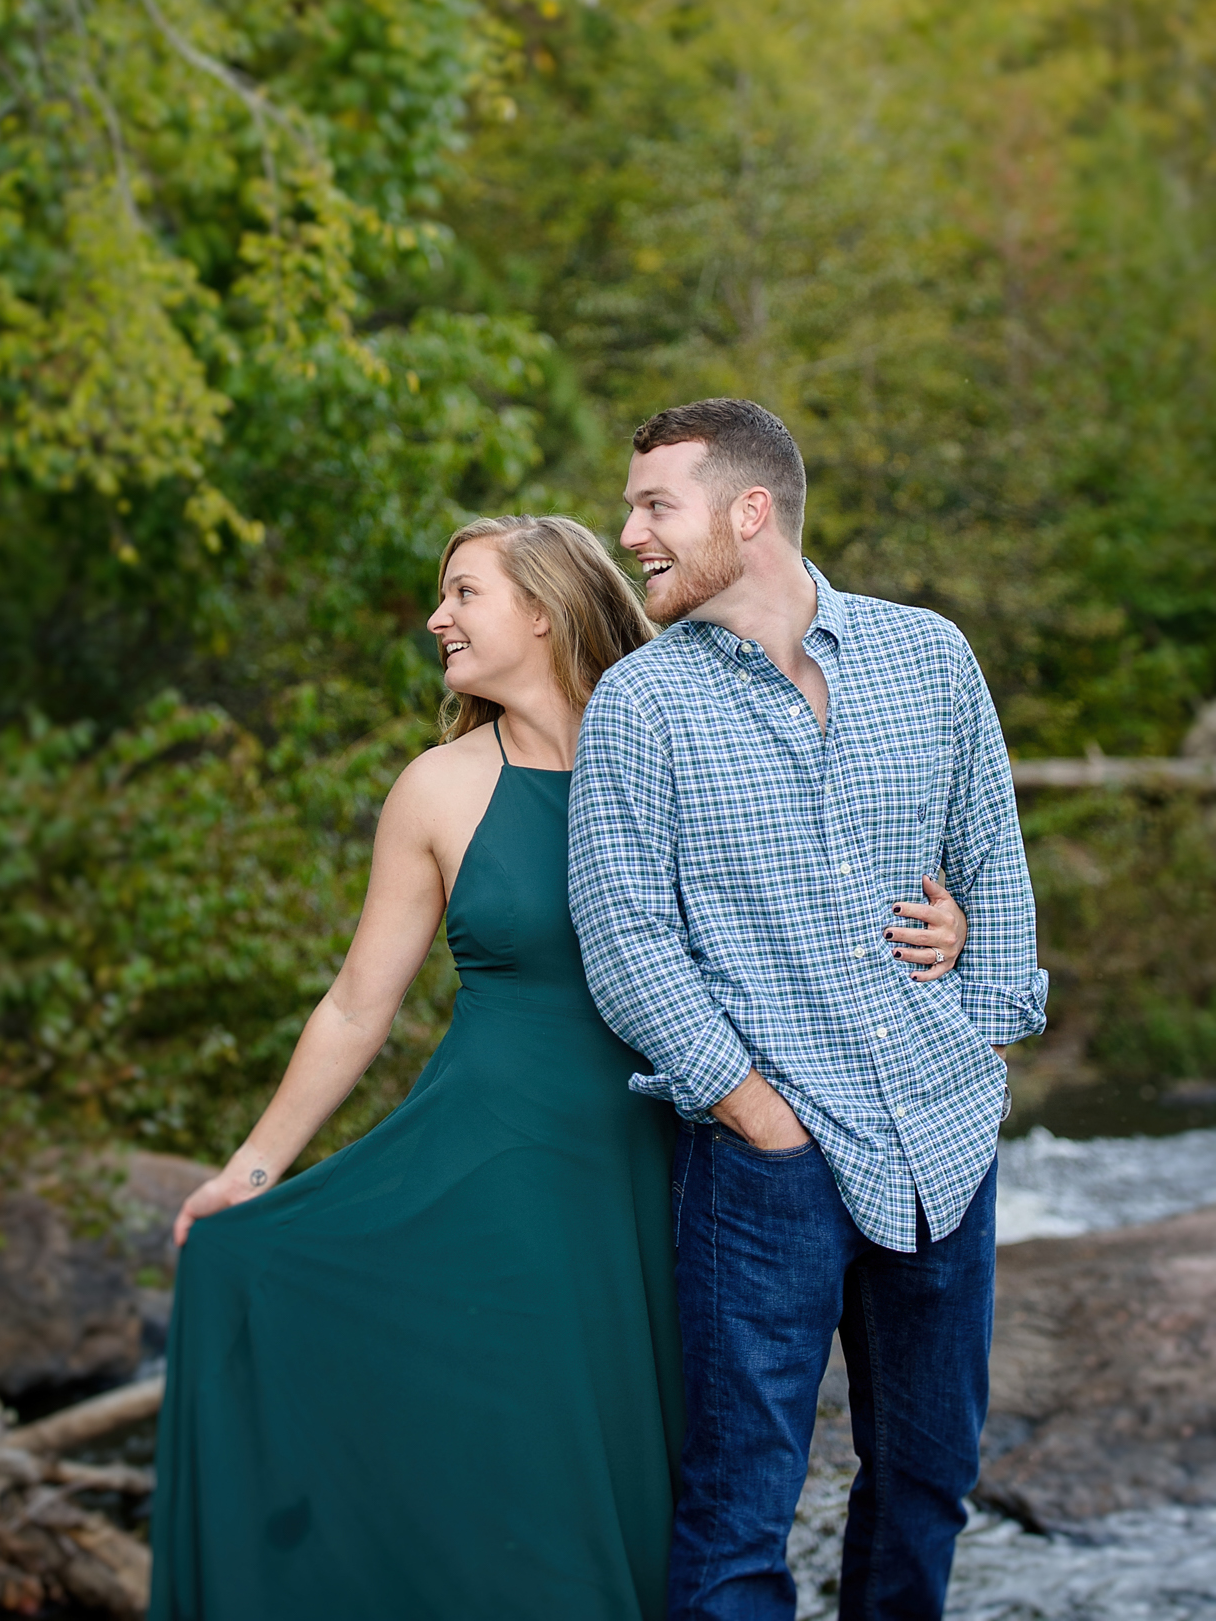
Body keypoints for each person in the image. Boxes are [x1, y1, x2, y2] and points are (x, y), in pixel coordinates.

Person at [148, 515, 684, 1621]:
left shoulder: (680, 740)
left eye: (462, 592)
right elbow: (356, 1005)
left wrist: (948, 924)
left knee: (652, 1466)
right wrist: (251, 1167)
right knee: (526, 1474)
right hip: (494, 1169)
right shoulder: (438, 786)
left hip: (665, 1159)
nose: (436, 617)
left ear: (540, 606)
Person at [567, 398, 1048, 1621]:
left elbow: (991, 861)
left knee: (930, 1476)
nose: (630, 534)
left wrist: (981, 1024)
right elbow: (626, 939)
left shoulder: (928, 654)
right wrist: (753, 1110)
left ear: (749, 510)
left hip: (940, 1135)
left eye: (654, 506)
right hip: (763, 1165)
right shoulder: (641, 707)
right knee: (741, 1504)